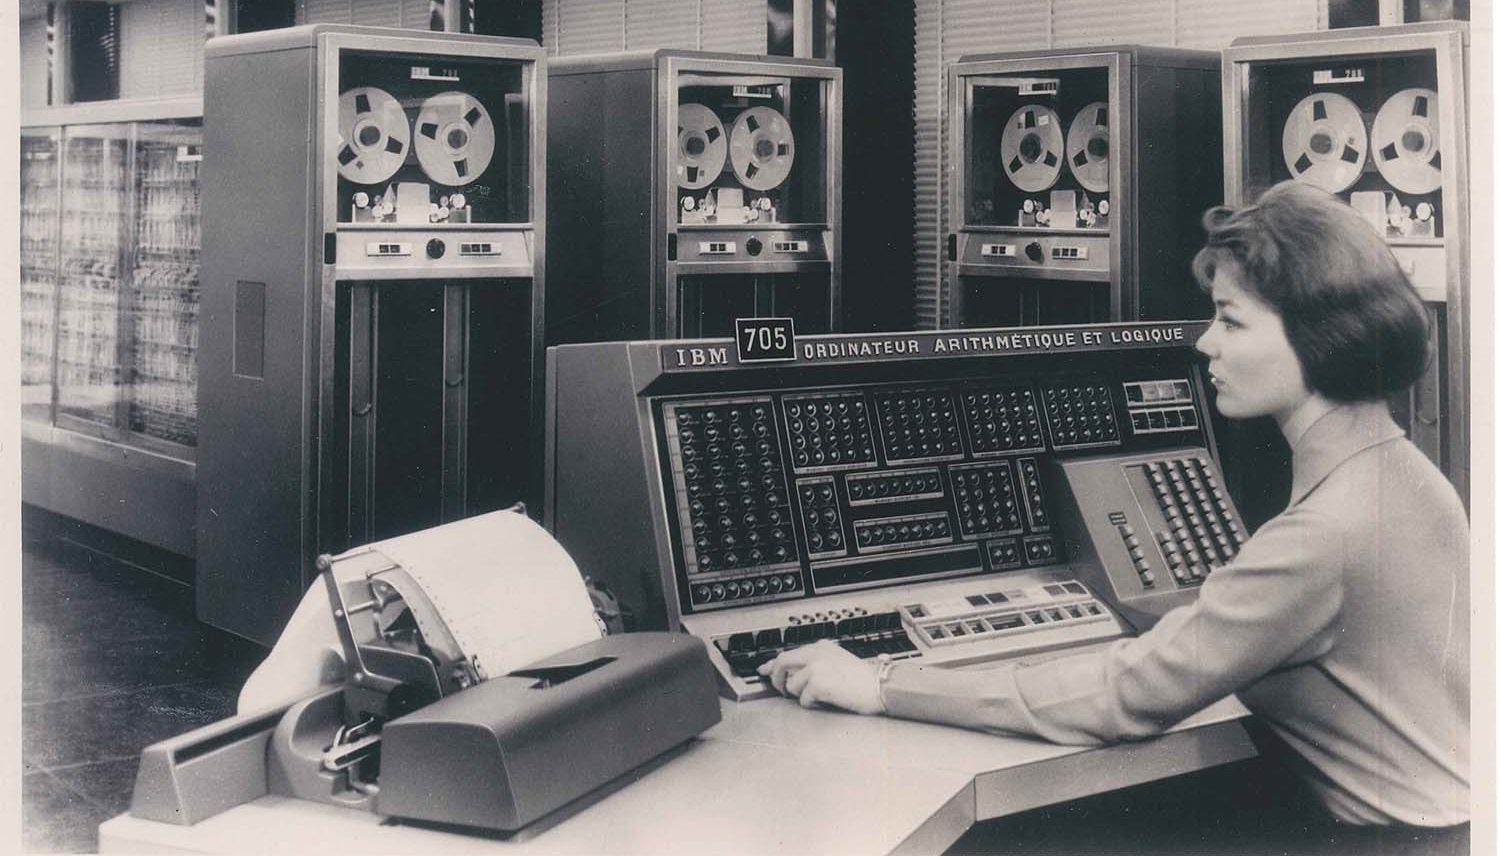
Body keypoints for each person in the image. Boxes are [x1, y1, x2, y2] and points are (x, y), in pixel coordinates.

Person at [760, 181, 1470, 844]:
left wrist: (881, 682)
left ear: (1319, 336)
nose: (1205, 343)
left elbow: (1123, 695)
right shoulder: (1409, 481)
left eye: (1230, 321)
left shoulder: (1322, 536)